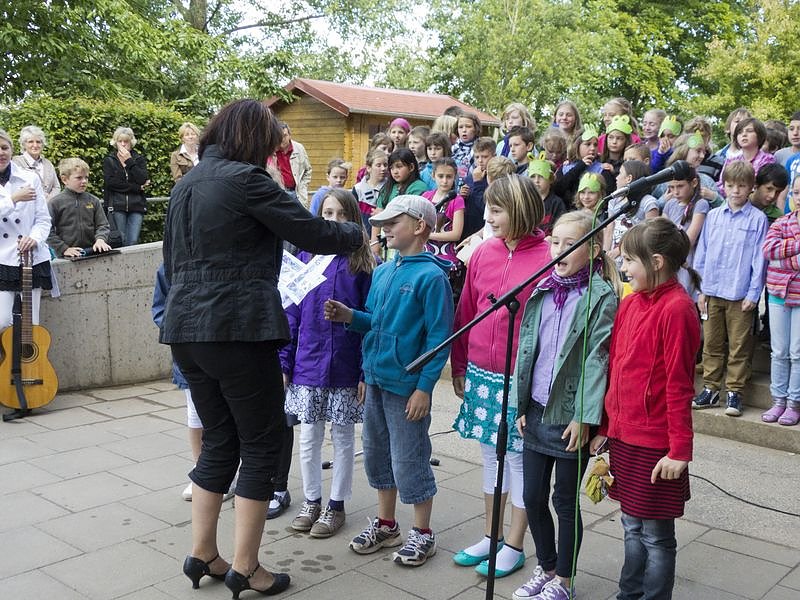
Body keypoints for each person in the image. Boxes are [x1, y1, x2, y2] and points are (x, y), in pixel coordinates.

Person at [161, 99, 363, 597]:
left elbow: (171, 261)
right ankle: (247, 568)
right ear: (252, 139)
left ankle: (202, 553)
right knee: (261, 443)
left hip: (186, 329)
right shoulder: (247, 180)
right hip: (236, 327)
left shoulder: (186, 184)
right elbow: (312, 231)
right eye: (270, 145)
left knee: (219, 439)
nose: (274, 154)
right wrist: (359, 229)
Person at [324, 194, 453, 567]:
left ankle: (423, 532)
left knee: (410, 457)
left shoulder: (431, 277)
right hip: (377, 380)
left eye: (393, 223)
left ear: (420, 226)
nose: (384, 229)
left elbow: (439, 339)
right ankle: (386, 524)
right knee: (378, 454)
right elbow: (375, 324)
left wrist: (424, 388)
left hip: (407, 387)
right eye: (382, 224)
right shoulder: (382, 272)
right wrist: (351, 317)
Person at [589, 217, 701, 600]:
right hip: (624, 437)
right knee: (630, 525)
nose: (623, 268)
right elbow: (616, 367)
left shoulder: (677, 309)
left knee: (655, 536)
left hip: (655, 445)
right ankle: (629, 593)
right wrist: (605, 427)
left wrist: (679, 450)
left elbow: (679, 386)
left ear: (656, 262)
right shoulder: (630, 302)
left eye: (629, 261)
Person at [512, 211, 620, 600]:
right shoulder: (542, 288)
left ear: (593, 251)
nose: (559, 250)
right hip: (536, 409)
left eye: (569, 244)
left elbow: (597, 358)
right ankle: (546, 566)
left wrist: (585, 416)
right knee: (532, 496)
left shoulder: (600, 296)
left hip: (571, 414)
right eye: (555, 242)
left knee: (564, 501)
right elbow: (528, 349)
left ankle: (564, 580)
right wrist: (520, 403)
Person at [451, 175, 549, 579]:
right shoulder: (484, 252)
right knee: (491, 457)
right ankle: (491, 536)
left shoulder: (547, 256)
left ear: (520, 210)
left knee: (519, 460)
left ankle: (514, 544)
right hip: (481, 370)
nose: (487, 217)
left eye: (496, 210)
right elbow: (467, 309)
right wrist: (459, 362)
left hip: (520, 378)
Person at [280, 189, 376, 538]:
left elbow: (370, 319)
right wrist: (284, 363)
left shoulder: (361, 264)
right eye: (327, 214)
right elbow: (291, 314)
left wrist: (364, 370)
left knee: (342, 437)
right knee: (308, 436)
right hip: (307, 363)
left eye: (340, 214)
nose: (333, 220)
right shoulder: (306, 258)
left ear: (352, 219)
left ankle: (336, 504)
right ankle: (311, 500)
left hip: (345, 364)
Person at [694, 161, 768, 417]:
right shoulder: (713, 216)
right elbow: (702, 253)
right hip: (712, 290)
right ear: (723, 186)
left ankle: (735, 391)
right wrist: (700, 289)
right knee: (712, 343)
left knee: (739, 345)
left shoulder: (757, 219)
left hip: (740, 294)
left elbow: (759, 260)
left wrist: (753, 293)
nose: (735, 191)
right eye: (730, 185)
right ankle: (711, 388)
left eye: (742, 186)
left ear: (751, 188)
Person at [0, 129, 53, 328]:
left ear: (12, 149)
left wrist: (34, 238)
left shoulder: (30, 178)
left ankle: (28, 352)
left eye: (4, 147)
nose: (1, 153)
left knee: (31, 324)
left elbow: (43, 219)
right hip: (2, 257)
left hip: (31, 257)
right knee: (3, 321)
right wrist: (13, 199)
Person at [761, 179, 800, 427]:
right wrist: (797, 248)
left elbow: (778, 257)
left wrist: (783, 260)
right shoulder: (781, 222)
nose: (799, 197)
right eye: (796, 192)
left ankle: (794, 402)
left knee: (797, 352)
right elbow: (768, 251)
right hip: (778, 293)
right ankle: (778, 400)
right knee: (779, 351)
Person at [46, 158, 113, 258]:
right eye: (79, 178)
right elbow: (47, 230)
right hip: (67, 256)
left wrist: (100, 240)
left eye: (86, 177)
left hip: (92, 252)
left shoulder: (94, 200)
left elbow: (103, 225)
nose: (84, 181)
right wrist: (63, 248)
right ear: (64, 179)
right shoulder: (55, 203)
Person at [661, 165, 710, 297]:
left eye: (680, 186)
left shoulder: (701, 204)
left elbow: (688, 241)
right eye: (671, 187)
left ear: (694, 183)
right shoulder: (670, 204)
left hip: (688, 260)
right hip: (670, 259)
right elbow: (661, 232)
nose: (676, 192)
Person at [605, 160, 659, 267]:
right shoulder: (614, 201)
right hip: (614, 261)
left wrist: (619, 250)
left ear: (629, 178)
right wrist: (605, 254)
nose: (616, 178)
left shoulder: (648, 202)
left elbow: (650, 235)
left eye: (620, 173)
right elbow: (609, 230)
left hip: (635, 259)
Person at [102, 127, 149, 246]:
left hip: (136, 205)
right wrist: (136, 188)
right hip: (117, 205)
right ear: (115, 142)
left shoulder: (138, 159)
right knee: (120, 240)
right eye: (120, 141)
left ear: (131, 142)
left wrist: (129, 161)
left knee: (133, 241)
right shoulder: (110, 160)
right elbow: (111, 183)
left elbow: (142, 179)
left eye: (126, 141)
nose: (123, 144)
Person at [717, 117, 775, 197]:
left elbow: (761, 186)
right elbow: (722, 184)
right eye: (740, 132)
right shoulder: (731, 160)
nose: (744, 134)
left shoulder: (767, 160)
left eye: (749, 131)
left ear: (760, 135)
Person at [12, 125, 60, 200]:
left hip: (49, 205)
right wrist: (41, 196)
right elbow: (17, 187)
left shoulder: (48, 163)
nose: (35, 145)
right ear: (24, 144)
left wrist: (49, 199)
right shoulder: (16, 162)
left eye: (38, 142)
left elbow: (56, 187)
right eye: (30, 142)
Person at [272, 122, 312, 207]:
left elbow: (308, 170)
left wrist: (302, 187)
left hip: (297, 193)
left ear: (290, 135)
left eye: (285, 135)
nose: (282, 139)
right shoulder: (271, 151)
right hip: (279, 193)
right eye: (279, 136)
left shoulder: (299, 148)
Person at [527, 156, 564, 235]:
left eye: (541, 176)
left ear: (550, 179)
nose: (536, 181)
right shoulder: (526, 201)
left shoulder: (557, 203)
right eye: (533, 177)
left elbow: (560, 227)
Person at [353, 149, 388, 231]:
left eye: (385, 165)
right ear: (369, 168)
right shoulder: (358, 189)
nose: (383, 168)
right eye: (378, 165)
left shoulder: (391, 188)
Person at [453, 112, 481, 182]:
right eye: (460, 127)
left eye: (468, 126)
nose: (464, 130)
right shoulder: (452, 150)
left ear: (476, 129)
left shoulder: (481, 149)